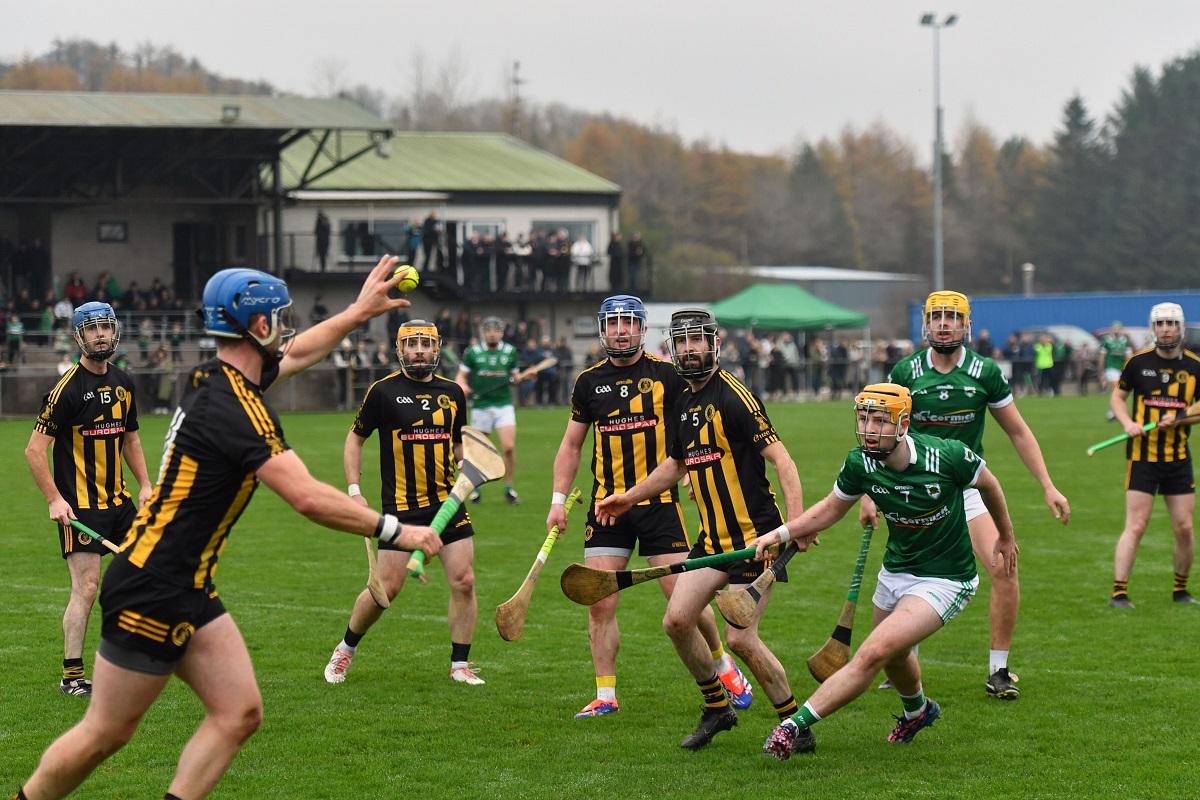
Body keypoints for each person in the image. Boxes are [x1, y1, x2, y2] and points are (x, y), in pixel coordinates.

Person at [11, 257, 443, 800]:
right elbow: (308, 497)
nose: (285, 329)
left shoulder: (216, 373)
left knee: (239, 713)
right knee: (105, 733)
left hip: (186, 579)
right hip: (155, 582)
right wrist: (399, 531)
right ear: (259, 327)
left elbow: (302, 352)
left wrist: (357, 313)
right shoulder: (232, 407)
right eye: (279, 320)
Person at [756, 383, 1018, 759]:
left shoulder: (946, 456)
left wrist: (1005, 536)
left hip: (946, 579)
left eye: (879, 420)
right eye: (863, 418)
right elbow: (831, 508)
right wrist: (779, 534)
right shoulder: (860, 462)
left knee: (874, 651)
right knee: (895, 654)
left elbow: (989, 484)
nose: (868, 428)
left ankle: (792, 726)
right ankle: (919, 711)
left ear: (903, 424)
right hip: (896, 570)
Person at [595, 308, 805, 752]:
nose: (690, 349)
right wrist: (629, 497)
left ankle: (795, 724)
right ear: (672, 347)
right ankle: (717, 707)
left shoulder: (734, 397)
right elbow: (676, 464)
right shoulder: (684, 401)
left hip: (754, 542)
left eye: (698, 340)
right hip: (712, 543)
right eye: (681, 341)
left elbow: (784, 461)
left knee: (740, 640)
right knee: (676, 620)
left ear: (714, 344)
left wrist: (795, 526)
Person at [548, 296, 753, 719]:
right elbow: (571, 445)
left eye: (628, 323)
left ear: (643, 329)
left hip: (659, 503)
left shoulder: (668, 376)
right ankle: (606, 695)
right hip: (607, 507)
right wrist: (556, 500)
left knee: (684, 600)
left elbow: (693, 430)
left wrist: (698, 477)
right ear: (602, 329)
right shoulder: (588, 382)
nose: (621, 330)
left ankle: (722, 664)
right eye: (613, 323)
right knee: (600, 602)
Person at [869, 291, 1069, 700]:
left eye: (952, 317)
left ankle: (999, 669)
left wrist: (1048, 484)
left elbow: (1018, 431)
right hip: (915, 493)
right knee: (908, 574)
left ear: (967, 325)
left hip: (966, 489)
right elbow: (879, 435)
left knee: (1004, 565)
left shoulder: (984, 372)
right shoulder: (905, 372)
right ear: (926, 324)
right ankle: (902, 659)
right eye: (937, 316)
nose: (944, 324)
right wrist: (872, 493)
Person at [324, 320, 485, 685]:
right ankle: (345, 650)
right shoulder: (382, 392)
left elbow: (458, 445)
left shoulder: (453, 392)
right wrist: (354, 490)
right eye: (411, 344)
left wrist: (468, 466)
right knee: (386, 591)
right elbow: (355, 440)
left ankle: (460, 664)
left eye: (425, 344)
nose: (419, 350)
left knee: (464, 582)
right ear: (399, 350)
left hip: (448, 504)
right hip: (401, 508)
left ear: (437, 348)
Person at [25, 301, 153, 698]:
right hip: (80, 509)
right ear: (79, 336)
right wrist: (53, 499)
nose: (100, 335)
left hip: (120, 503)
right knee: (86, 588)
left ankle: (137, 659)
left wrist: (146, 485)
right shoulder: (65, 390)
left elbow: (130, 438)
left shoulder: (124, 382)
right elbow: (33, 450)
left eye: (105, 328)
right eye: (92, 329)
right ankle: (72, 676)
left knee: (145, 577)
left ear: (115, 332)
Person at [1108, 302, 1200, 608]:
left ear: (1180, 327)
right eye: (1160, 323)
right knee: (1136, 524)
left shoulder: (1194, 366)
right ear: (1153, 328)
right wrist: (1128, 423)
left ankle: (1180, 590)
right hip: (1142, 456)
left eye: (1171, 323)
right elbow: (1118, 398)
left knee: (1185, 528)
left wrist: (1180, 416)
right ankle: (1119, 593)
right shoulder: (1137, 363)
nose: (1165, 329)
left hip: (1178, 458)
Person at [456, 316, 538, 505]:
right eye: (489, 330)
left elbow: (515, 379)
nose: (492, 334)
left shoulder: (510, 352)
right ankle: (476, 489)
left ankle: (509, 488)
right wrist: (461, 384)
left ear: (501, 332)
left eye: (496, 330)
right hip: (481, 407)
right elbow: (461, 375)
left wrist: (525, 377)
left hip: (503, 405)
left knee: (508, 447)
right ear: (483, 333)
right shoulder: (473, 352)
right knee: (478, 451)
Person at [1099, 321, 1132, 420]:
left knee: (1118, 391)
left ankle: (1112, 412)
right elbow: (1102, 356)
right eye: (1114, 328)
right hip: (1110, 368)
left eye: (1118, 328)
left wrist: (1131, 367)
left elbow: (1129, 355)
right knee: (1117, 387)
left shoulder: (1124, 341)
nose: (1116, 330)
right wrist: (1101, 370)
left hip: (1121, 368)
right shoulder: (1107, 341)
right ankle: (1114, 413)